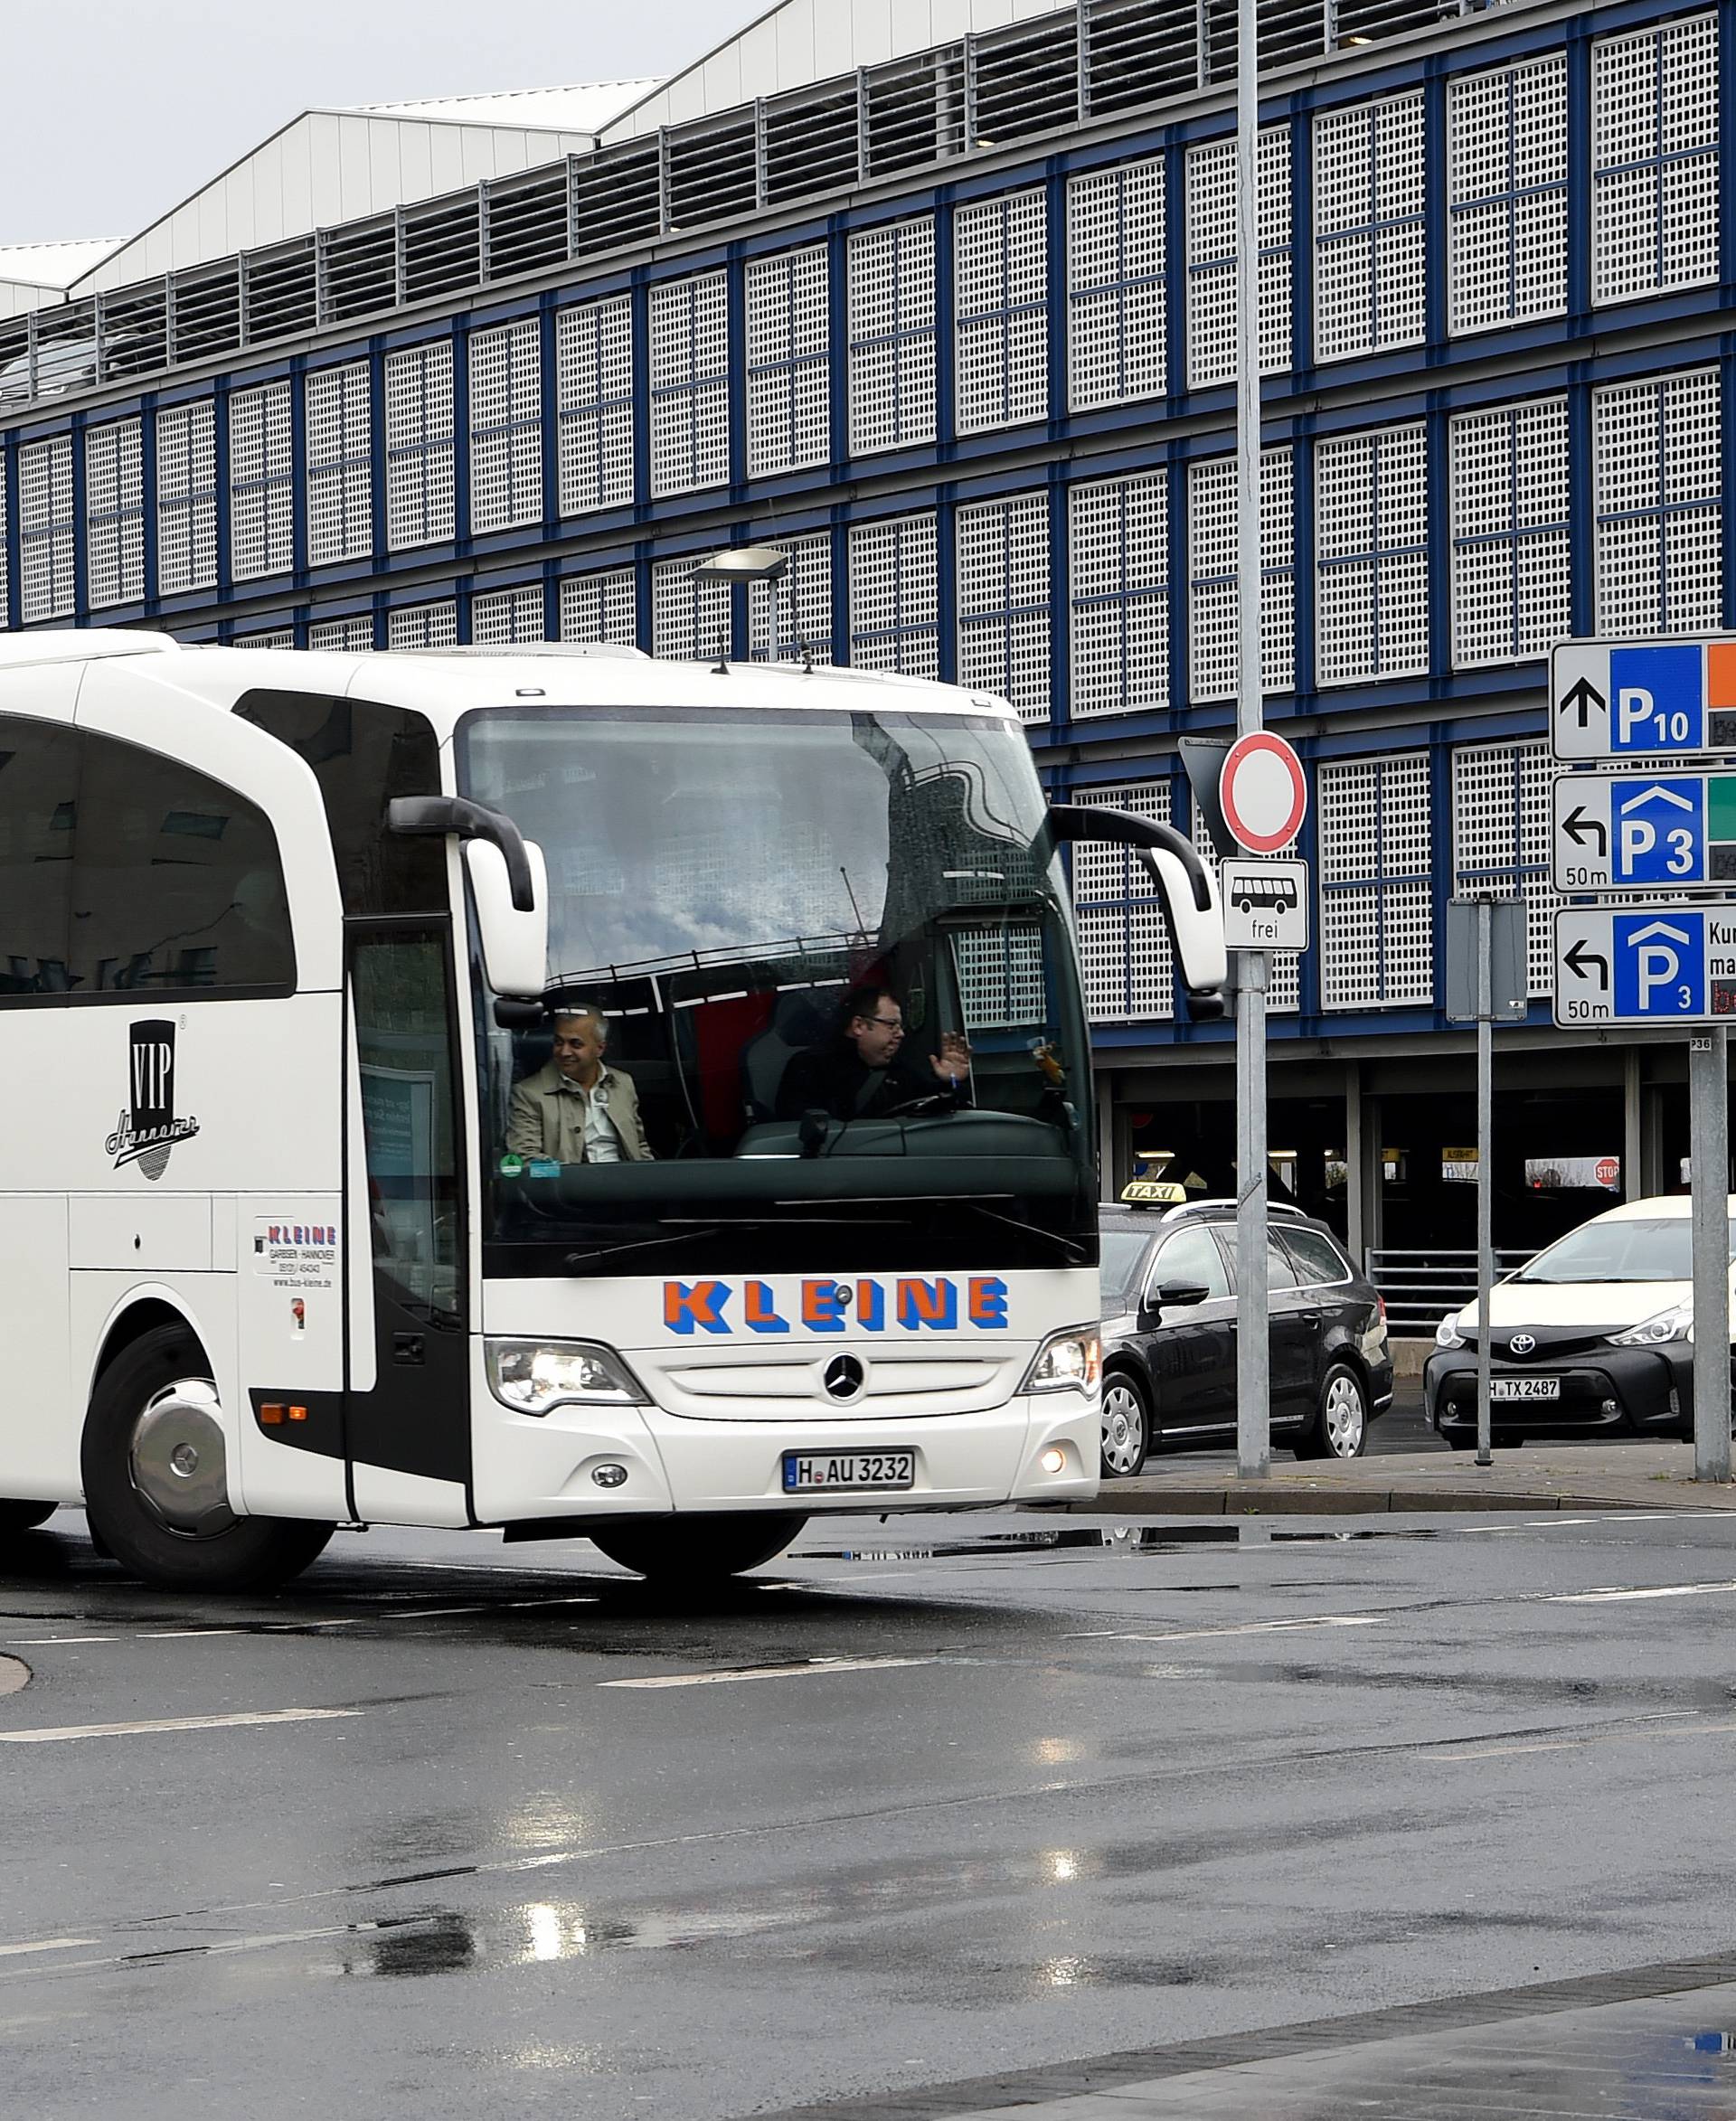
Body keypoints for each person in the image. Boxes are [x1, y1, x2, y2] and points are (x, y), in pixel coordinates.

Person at [776, 985, 970, 1122]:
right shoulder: (810, 1068)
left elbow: (945, 1116)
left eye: (900, 1026)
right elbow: (801, 1132)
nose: (901, 1034)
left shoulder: (899, 1071)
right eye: (891, 1025)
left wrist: (951, 1081)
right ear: (859, 1025)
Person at [507, 1005, 652, 1163]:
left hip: (626, 1183)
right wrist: (568, 1178)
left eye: (575, 1044)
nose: (564, 1052)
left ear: (600, 1049)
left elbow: (639, 1147)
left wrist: (650, 1181)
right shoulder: (528, 1093)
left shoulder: (623, 1083)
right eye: (559, 1042)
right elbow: (526, 1162)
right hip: (568, 1185)